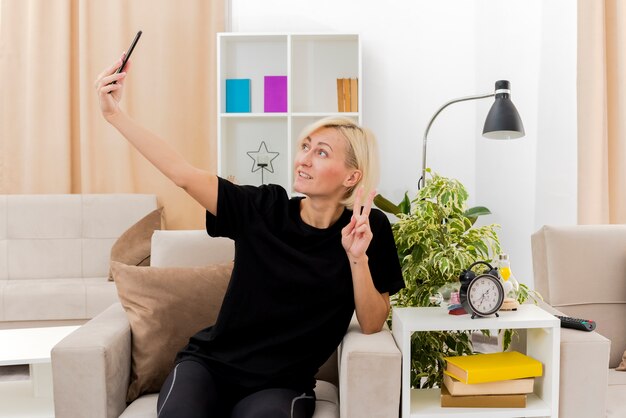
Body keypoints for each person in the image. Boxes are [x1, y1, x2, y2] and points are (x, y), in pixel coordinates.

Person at [95, 55, 404, 418]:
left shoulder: (370, 228)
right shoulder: (265, 207)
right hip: (208, 366)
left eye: (321, 152)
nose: (303, 159)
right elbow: (184, 175)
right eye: (305, 147)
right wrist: (115, 116)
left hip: (282, 384)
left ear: (352, 176)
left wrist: (357, 258)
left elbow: (372, 323)